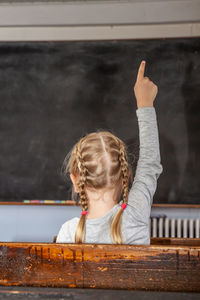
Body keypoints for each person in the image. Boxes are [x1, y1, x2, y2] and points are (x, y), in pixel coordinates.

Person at [56, 61, 162, 245]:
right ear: (125, 178)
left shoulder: (68, 233)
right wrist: (145, 103)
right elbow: (149, 164)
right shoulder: (135, 217)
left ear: (76, 180)